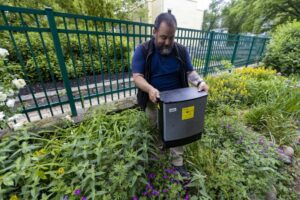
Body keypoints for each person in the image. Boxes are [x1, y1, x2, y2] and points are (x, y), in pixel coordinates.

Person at [131, 11, 209, 178]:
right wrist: (150, 89)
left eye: (171, 38)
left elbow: (190, 71)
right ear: (154, 32)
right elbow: (137, 77)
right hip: (154, 101)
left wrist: (200, 82)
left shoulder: (180, 50)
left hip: (178, 102)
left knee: (178, 131)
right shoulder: (143, 50)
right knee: (154, 130)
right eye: (163, 37)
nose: (167, 42)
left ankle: (177, 163)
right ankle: (157, 159)